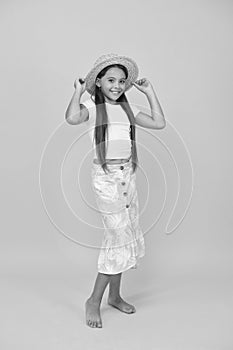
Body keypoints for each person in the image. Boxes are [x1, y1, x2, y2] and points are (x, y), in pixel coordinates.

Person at [65, 53, 166, 328]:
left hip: (127, 176)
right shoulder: (93, 107)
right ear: (98, 82)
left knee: (126, 234)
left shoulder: (128, 109)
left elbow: (159, 122)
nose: (117, 86)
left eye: (122, 81)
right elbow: (72, 117)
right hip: (106, 178)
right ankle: (93, 301)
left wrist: (149, 92)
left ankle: (115, 296)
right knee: (117, 238)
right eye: (110, 80)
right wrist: (77, 91)